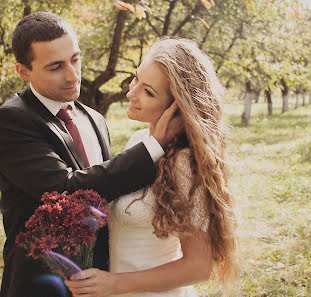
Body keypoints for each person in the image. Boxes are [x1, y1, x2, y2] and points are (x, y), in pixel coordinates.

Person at [0, 12, 182, 297]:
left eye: (75, 59)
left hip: (104, 281)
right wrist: (153, 147)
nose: (73, 75)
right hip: (41, 285)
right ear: (23, 71)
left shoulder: (94, 118)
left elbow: (107, 192)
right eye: (56, 66)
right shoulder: (10, 121)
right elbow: (65, 189)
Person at [65, 38, 239, 297]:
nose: (130, 93)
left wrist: (115, 283)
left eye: (149, 92)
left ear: (177, 107)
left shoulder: (184, 163)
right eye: (136, 79)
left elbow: (199, 267)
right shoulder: (140, 142)